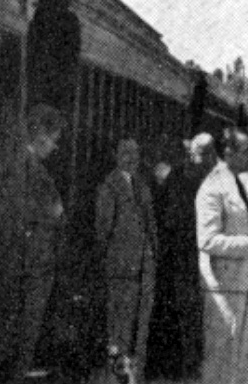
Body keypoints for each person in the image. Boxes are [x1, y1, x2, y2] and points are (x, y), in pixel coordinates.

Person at [0, 105, 67, 384]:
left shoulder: (18, 165)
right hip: (28, 266)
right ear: (41, 136)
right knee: (20, 339)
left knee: (14, 338)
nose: (55, 147)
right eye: (54, 139)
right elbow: (44, 213)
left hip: (21, 263)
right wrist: (52, 213)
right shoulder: (27, 169)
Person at [196, 129, 248, 384]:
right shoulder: (212, 188)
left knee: (241, 359)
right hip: (224, 287)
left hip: (244, 283)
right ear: (228, 152)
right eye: (246, 151)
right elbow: (207, 240)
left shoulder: (240, 182)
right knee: (221, 361)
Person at [147, 134, 212, 381]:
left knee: (178, 310)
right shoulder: (185, 178)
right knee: (182, 310)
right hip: (180, 252)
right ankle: (180, 365)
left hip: (177, 251)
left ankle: (177, 365)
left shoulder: (175, 177)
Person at [96, 138, 158, 384]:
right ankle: (117, 378)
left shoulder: (142, 186)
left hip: (144, 267)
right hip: (122, 269)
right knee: (119, 327)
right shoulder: (109, 187)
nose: (131, 158)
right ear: (116, 156)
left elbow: (150, 223)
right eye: (125, 153)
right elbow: (103, 230)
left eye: (135, 153)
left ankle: (135, 377)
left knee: (139, 326)